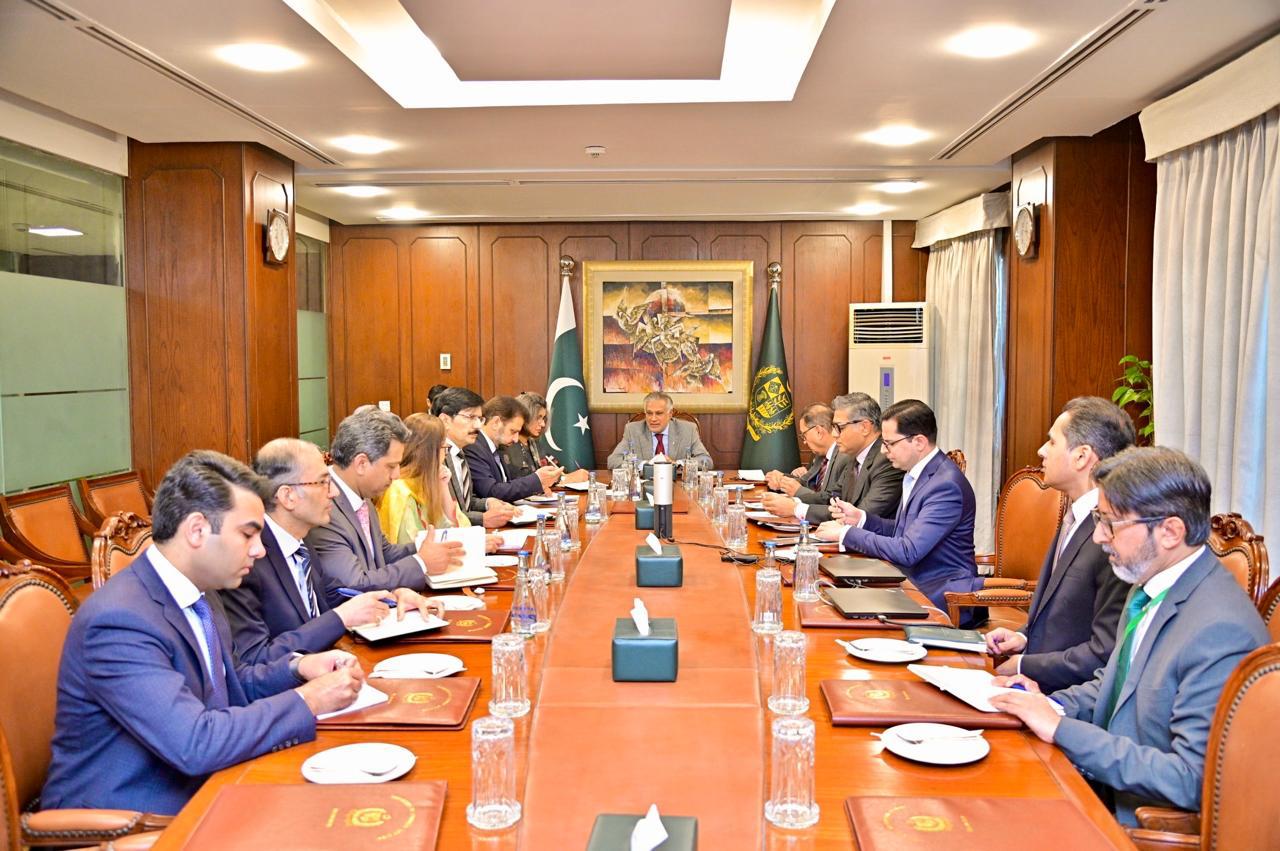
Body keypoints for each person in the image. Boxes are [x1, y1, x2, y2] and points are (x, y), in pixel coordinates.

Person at [42, 451, 364, 815]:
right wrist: (310, 700)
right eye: (248, 534)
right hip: (136, 815)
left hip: (212, 780)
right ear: (197, 530)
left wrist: (298, 669)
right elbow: (195, 743)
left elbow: (231, 685)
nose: (260, 550)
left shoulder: (202, 589)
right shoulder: (119, 621)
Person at [990, 447, 1268, 826]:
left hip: (1133, 822)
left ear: (1170, 531)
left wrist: (1061, 729)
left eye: (1111, 523)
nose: (1099, 537)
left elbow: (1188, 778)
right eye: (1098, 519)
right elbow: (1116, 685)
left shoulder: (1220, 631)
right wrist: (1049, 704)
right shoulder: (1149, 585)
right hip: (1094, 783)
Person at [221, 438, 445, 665]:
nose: (335, 492)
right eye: (323, 482)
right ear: (288, 496)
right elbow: (256, 659)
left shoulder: (301, 540)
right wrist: (340, 618)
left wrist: (392, 597)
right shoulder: (247, 560)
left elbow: (334, 594)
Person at [984, 397, 1134, 691]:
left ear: (1081, 456)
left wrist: (1025, 665)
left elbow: (1104, 652)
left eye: (1052, 442)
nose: (1041, 451)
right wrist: (1023, 637)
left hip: (1067, 697)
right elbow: (1064, 615)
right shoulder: (1076, 515)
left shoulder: (1114, 535)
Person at [814, 398, 983, 626]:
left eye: (890, 443)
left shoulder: (945, 485)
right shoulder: (917, 473)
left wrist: (846, 533)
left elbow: (908, 550)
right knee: (829, 599)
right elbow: (904, 530)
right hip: (909, 582)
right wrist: (861, 519)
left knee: (841, 617)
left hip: (940, 594)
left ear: (919, 442)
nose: (884, 451)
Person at [307, 408, 464, 591]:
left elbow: (383, 553)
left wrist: (429, 548)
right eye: (391, 466)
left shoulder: (362, 495)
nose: (396, 475)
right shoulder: (324, 507)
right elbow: (353, 585)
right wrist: (421, 562)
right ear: (361, 463)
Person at [764, 393, 902, 523]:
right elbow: (831, 499)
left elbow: (860, 516)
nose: (834, 434)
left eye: (840, 427)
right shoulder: (855, 456)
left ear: (864, 427)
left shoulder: (887, 461)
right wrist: (793, 503)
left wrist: (796, 509)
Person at [378, 413, 502, 550]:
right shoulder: (399, 491)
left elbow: (461, 528)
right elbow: (414, 548)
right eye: (444, 448)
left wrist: (443, 488)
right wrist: (471, 546)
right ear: (430, 452)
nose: (445, 455)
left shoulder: (430, 483)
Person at [432, 386, 515, 528]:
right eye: (470, 417)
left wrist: (488, 503)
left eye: (480, 419)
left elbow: (464, 502)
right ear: (445, 420)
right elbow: (438, 514)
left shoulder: (460, 453)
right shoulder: (434, 458)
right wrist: (482, 519)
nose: (478, 426)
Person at [466, 395, 563, 501]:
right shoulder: (474, 447)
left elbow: (508, 484)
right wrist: (537, 480)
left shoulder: (498, 446)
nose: (516, 439)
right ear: (496, 422)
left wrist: (538, 487)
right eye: (513, 431)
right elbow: (491, 492)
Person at [761, 403, 848, 504]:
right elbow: (805, 482)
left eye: (804, 435)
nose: (804, 442)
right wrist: (781, 479)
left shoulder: (844, 457)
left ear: (819, 432)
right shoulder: (820, 455)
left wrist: (798, 491)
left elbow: (832, 500)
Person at [606, 391, 712, 469]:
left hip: (676, 484)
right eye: (649, 413)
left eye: (659, 413)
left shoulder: (688, 429)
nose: (653, 419)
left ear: (670, 414)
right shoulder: (633, 430)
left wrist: (677, 464)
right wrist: (645, 465)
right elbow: (613, 460)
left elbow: (706, 460)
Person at [502, 390, 589, 484]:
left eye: (543, 418)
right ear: (524, 416)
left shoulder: (534, 444)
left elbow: (558, 470)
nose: (543, 424)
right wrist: (565, 479)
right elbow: (523, 482)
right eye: (538, 417)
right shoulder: (508, 445)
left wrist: (570, 476)